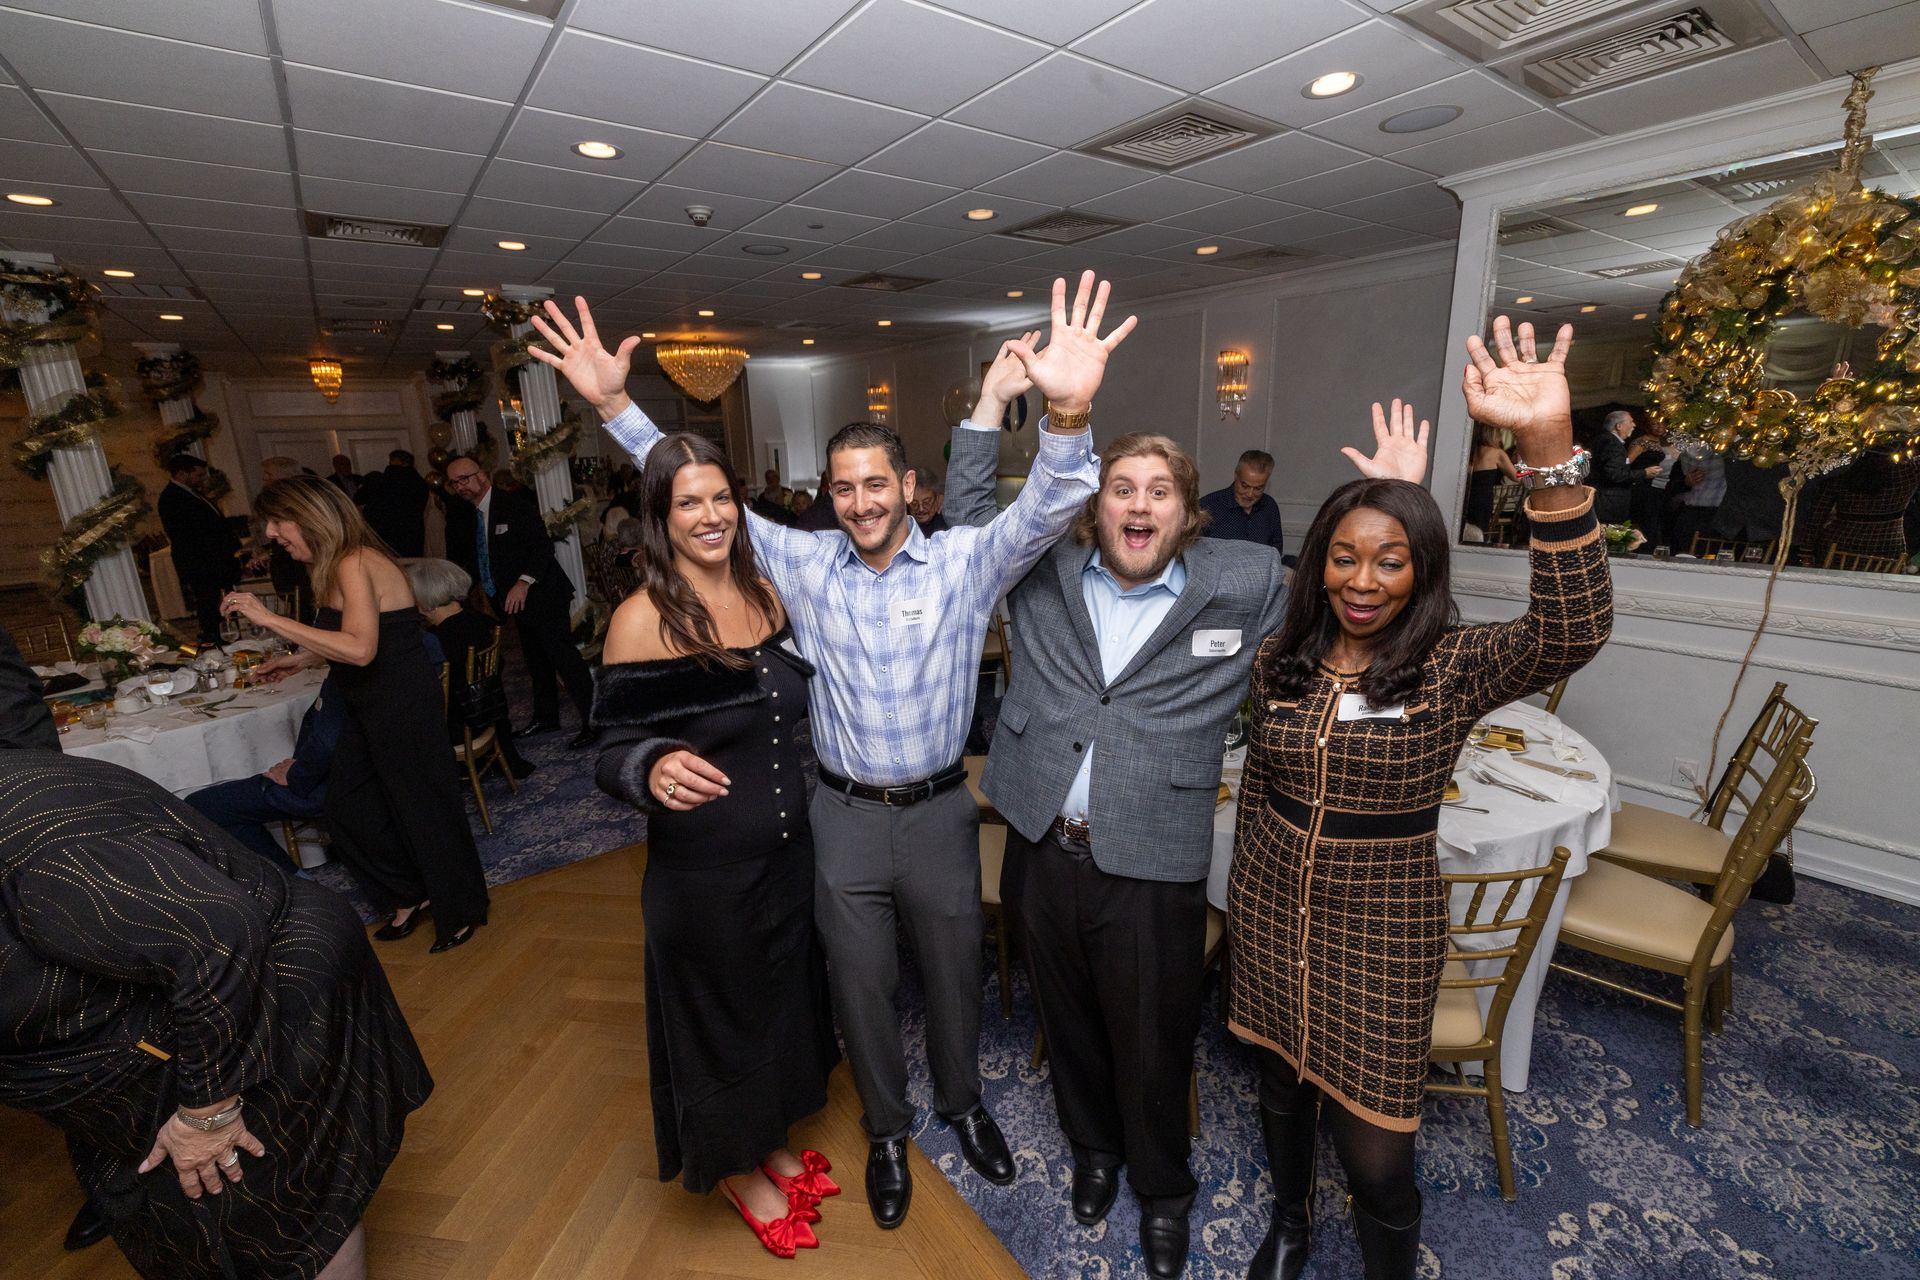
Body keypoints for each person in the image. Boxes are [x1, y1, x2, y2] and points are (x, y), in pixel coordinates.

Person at [528, 284, 1128, 1232]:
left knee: (956, 971)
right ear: (829, 496)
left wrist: (1067, 410)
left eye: (875, 484)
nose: (859, 503)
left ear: (908, 489)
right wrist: (611, 405)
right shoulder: (801, 563)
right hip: (839, 818)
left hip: (938, 812)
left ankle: (963, 1107)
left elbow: (1053, 501)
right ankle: (888, 1130)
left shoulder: (970, 559)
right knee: (858, 983)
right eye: (841, 488)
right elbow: (692, 494)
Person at [949, 395, 1423, 1276]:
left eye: (1158, 490)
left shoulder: (1239, 580)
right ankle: (1094, 1151)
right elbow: (972, 518)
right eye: (1120, 488)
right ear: (1094, 508)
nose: (1138, 505)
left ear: (1187, 510)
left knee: (1155, 1033)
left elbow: (1352, 583)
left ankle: (1163, 1189)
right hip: (1040, 836)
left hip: (1155, 849)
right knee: (1069, 1014)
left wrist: (1391, 496)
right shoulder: (1046, 566)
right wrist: (986, 411)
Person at [1228, 317, 1611, 1280]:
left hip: (1382, 927)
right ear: (1317, 559)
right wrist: (1244, 911)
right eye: (1345, 556)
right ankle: (1288, 1223)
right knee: (1277, 1085)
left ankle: (1387, 1262)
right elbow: (1264, 785)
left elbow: (1575, 627)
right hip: (1273, 912)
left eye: (1390, 559)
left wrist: (1546, 453)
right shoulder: (1283, 659)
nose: (1363, 580)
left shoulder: (1450, 665)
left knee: (1378, 1142)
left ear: (1422, 569)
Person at [0, 749, 432, 1280]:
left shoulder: (42, 865)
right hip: (171, 1013)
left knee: (276, 1211)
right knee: (207, 1209)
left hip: (254, 991)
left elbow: (219, 937)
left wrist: (208, 1115)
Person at [591, 432, 840, 1258]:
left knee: (777, 1005)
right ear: (661, 517)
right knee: (719, 1022)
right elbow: (608, 750)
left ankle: (767, 1138)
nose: (710, 516)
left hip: (784, 856)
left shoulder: (766, 595)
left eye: (721, 498)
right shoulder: (643, 618)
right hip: (703, 874)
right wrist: (650, 762)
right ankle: (736, 1167)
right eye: (688, 502)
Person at [221, 476, 489, 954]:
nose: (271, 534)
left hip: (401, 704)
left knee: (424, 810)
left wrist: (270, 619)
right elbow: (370, 636)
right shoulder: (334, 564)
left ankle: (462, 910)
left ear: (304, 516)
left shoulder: (355, 561)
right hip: (367, 704)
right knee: (350, 807)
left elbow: (363, 650)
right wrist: (302, 658)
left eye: (277, 525)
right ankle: (409, 894)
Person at [441, 456, 599, 749]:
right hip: (516, 603)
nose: (461, 486)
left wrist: (523, 582)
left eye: (465, 478)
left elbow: (542, 546)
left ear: (483, 475)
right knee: (536, 662)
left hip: (544, 594)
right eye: (454, 482)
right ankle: (546, 717)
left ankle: (595, 721)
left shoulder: (513, 504)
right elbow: (481, 555)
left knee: (564, 659)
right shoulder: (469, 514)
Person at [403, 557, 535, 781]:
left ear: (426, 604)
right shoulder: (478, 619)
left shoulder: (438, 641)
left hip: (462, 724)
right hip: (488, 712)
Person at [185, 680, 344, 863]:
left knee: (202, 807)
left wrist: (295, 774)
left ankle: (292, 884)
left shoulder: (350, 673)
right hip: (338, 775)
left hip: (333, 785)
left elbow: (327, 743)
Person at [157, 453, 241, 644]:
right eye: (199, 475)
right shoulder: (171, 498)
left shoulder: (192, 492)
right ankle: (219, 641)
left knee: (224, 603)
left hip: (215, 562)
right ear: (181, 474)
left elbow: (213, 520)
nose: (203, 479)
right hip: (202, 564)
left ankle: (229, 638)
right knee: (210, 606)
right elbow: (187, 533)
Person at [1198, 449, 1286, 556]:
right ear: (1236, 476)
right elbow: (1194, 555)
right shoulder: (1208, 506)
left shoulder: (1270, 507)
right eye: (1245, 486)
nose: (1250, 494)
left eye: (1258, 488)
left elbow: (1276, 553)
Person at [357, 449, 430, 557]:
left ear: (395, 460)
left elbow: (360, 501)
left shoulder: (382, 481)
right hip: (413, 534)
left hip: (385, 538)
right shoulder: (419, 482)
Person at [1586, 409, 1644, 524]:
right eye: (1631, 421)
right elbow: (1615, 474)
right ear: (1619, 426)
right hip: (1608, 503)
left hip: (1602, 500)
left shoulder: (1602, 439)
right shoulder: (1612, 443)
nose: (1634, 425)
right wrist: (1645, 473)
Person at [1462, 423, 1519, 538]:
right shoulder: (1497, 453)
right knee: (1478, 534)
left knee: (1466, 534)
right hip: (1483, 501)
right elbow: (1517, 477)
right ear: (1494, 434)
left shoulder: (1469, 452)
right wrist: (1530, 470)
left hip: (1466, 499)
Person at [910, 468, 949, 535]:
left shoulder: (948, 519)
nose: (921, 509)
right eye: (914, 503)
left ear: (937, 498)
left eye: (926, 502)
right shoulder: (905, 522)